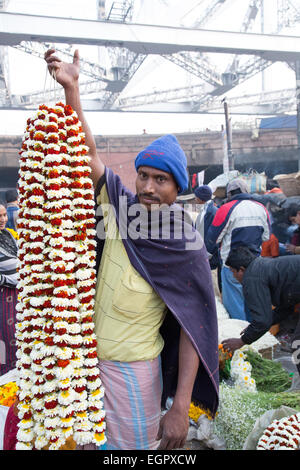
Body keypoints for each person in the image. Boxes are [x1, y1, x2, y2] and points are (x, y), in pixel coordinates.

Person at [44, 49, 219, 451]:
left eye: (161, 180)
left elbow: (195, 327)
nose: (148, 188)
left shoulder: (185, 244)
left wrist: (180, 405)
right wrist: (73, 89)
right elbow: (88, 155)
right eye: (143, 175)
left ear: (178, 189)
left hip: (135, 373)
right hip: (87, 367)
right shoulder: (121, 210)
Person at [221, 246, 300, 382]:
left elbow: (263, 321)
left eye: (233, 272)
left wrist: (241, 341)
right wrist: (253, 328)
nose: (233, 276)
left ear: (242, 269)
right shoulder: (261, 266)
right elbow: (284, 309)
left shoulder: (252, 277)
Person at [206, 178, 270, 321]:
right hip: (255, 265)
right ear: (247, 191)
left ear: (229, 194)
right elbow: (266, 237)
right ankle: (255, 339)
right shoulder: (261, 208)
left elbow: (213, 239)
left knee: (235, 309)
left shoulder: (226, 208)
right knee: (253, 304)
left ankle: (240, 340)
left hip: (232, 268)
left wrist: (205, 257)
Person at [0, 203, 18, 376]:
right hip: (3, 296)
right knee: (5, 339)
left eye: (4, 215)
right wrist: (10, 280)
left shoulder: (7, 235)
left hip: (15, 296)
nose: (3, 219)